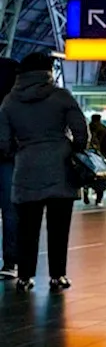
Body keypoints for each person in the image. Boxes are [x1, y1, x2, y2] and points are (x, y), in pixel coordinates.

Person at [0, 53, 88, 294]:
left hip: (26, 168)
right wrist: (75, 147)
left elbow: (3, 142)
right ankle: (57, 276)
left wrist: (22, 149)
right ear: (48, 71)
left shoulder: (9, 101)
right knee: (59, 227)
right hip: (60, 168)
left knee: (27, 227)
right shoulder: (61, 96)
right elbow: (80, 130)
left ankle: (25, 277)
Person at [0, 58, 18, 280]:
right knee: (11, 212)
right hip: (10, 160)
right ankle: (10, 262)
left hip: (7, 157)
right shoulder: (16, 100)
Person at [85, 114, 106, 206]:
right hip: (101, 157)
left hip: (88, 156)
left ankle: (85, 192)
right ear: (100, 119)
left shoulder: (87, 128)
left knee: (87, 175)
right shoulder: (104, 128)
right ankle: (98, 199)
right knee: (100, 178)